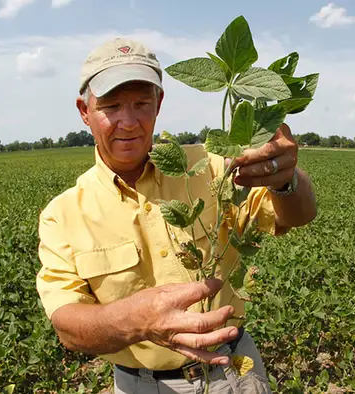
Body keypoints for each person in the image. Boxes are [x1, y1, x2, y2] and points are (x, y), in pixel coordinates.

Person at [35, 37, 317, 393]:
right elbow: (68, 326)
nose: (129, 121)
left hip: (235, 373)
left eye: (141, 103)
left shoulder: (213, 166)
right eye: (111, 106)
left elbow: (297, 215)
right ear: (84, 111)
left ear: (159, 104)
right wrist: (137, 320)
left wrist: (286, 179)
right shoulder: (63, 214)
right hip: (143, 385)